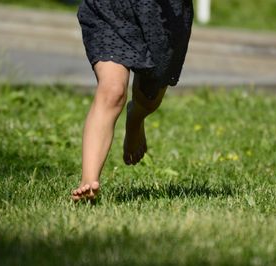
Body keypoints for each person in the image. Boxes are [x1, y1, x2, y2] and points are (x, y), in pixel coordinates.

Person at [71, 0, 194, 201]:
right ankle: (88, 181)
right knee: (112, 91)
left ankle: (135, 118)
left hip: (162, 18)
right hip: (111, 9)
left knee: (149, 99)